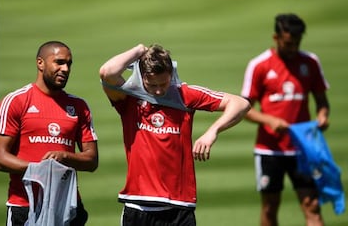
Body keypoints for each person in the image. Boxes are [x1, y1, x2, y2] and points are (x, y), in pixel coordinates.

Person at [99, 43, 250, 226]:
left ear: (171, 74)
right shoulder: (129, 99)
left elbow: (240, 104)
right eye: (151, 84)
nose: (158, 90)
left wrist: (212, 132)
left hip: (179, 207)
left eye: (163, 83)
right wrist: (139, 50)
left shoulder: (185, 95)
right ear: (141, 76)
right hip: (138, 205)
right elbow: (107, 72)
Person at [0, 41, 99, 226]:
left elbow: (92, 160)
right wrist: (41, 171)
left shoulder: (79, 107)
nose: (65, 69)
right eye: (59, 62)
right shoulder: (16, 101)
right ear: (40, 63)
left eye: (69, 64)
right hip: (25, 206)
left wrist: (65, 156)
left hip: (67, 206)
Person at [240, 13, 330, 226]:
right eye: (289, 43)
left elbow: (321, 100)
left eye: (297, 43)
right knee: (270, 206)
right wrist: (269, 120)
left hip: (303, 147)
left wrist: (323, 116)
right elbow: (244, 109)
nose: (293, 48)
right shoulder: (259, 65)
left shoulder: (310, 62)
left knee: (312, 205)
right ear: (276, 38)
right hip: (270, 149)